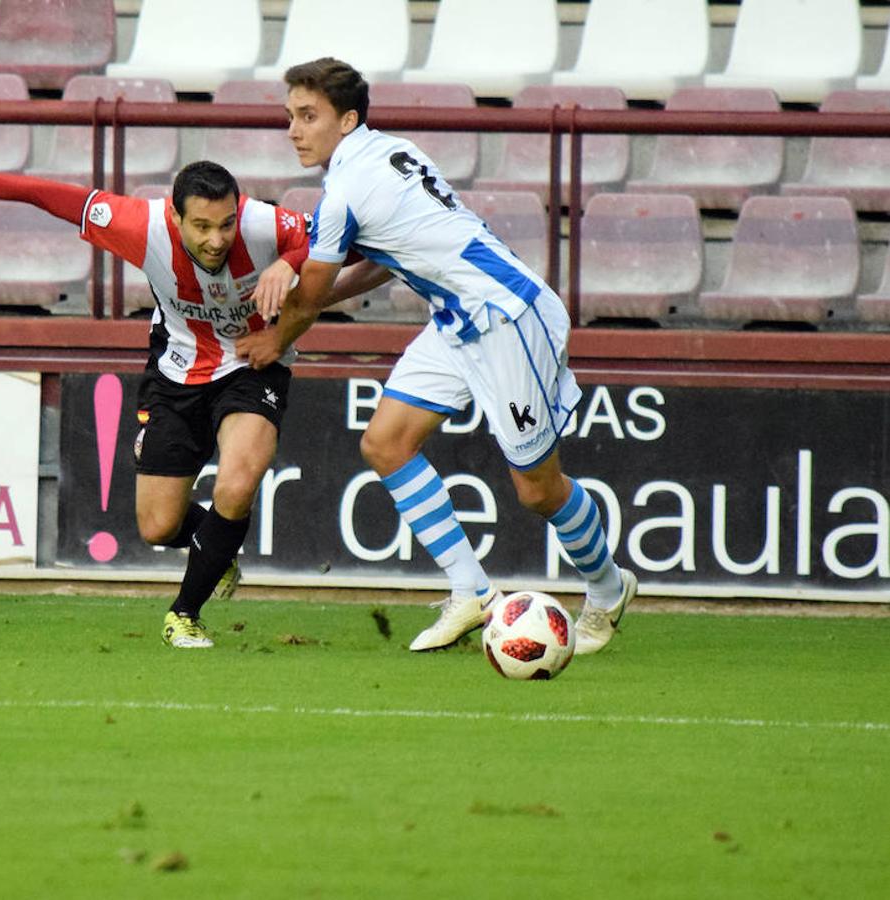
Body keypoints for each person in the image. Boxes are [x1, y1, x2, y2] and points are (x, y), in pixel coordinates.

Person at [236, 58, 638, 655]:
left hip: (506, 316)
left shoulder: (348, 185)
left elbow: (314, 291)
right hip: (456, 319)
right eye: (290, 116)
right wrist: (302, 288)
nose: (294, 129)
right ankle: (470, 590)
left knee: (536, 490)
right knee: (385, 443)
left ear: (347, 120)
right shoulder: (385, 154)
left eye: (308, 116)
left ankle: (607, 587)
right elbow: (380, 260)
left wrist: (275, 338)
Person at [0, 155, 313, 649]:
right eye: (202, 226)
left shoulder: (263, 223)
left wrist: (288, 261)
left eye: (227, 224)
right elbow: (39, 192)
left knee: (237, 480)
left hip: (252, 365)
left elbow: (324, 237)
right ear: (174, 216)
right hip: (177, 371)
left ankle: (184, 614)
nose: (217, 239)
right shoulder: (138, 224)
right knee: (158, 525)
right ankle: (215, 549)